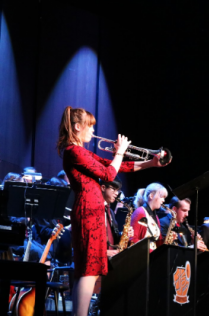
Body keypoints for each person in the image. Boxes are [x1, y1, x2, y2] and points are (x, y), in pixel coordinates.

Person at [56, 106, 171, 316]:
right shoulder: (73, 151)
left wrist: (151, 163)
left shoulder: (81, 152)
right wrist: (119, 151)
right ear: (78, 127)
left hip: (93, 211)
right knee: (88, 270)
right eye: (90, 127)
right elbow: (109, 174)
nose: (93, 132)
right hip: (88, 211)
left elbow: (118, 167)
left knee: (89, 271)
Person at [100, 177, 133, 257]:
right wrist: (104, 253)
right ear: (103, 188)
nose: (116, 193)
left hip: (111, 259)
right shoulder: (95, 210)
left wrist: (124, 234)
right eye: (114, 189)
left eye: (117, 190)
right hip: (99, 259)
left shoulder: (110, 211)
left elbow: (113, 236)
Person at [130, 183, 168, 252]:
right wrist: (151, 252)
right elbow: (133, 240)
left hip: (152, 257)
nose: (163, 200)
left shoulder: (155, 217)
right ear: (151, 196)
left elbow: (158, 243)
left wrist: (166, 240)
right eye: (161, 197)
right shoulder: (139, 212)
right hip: (142, 257)